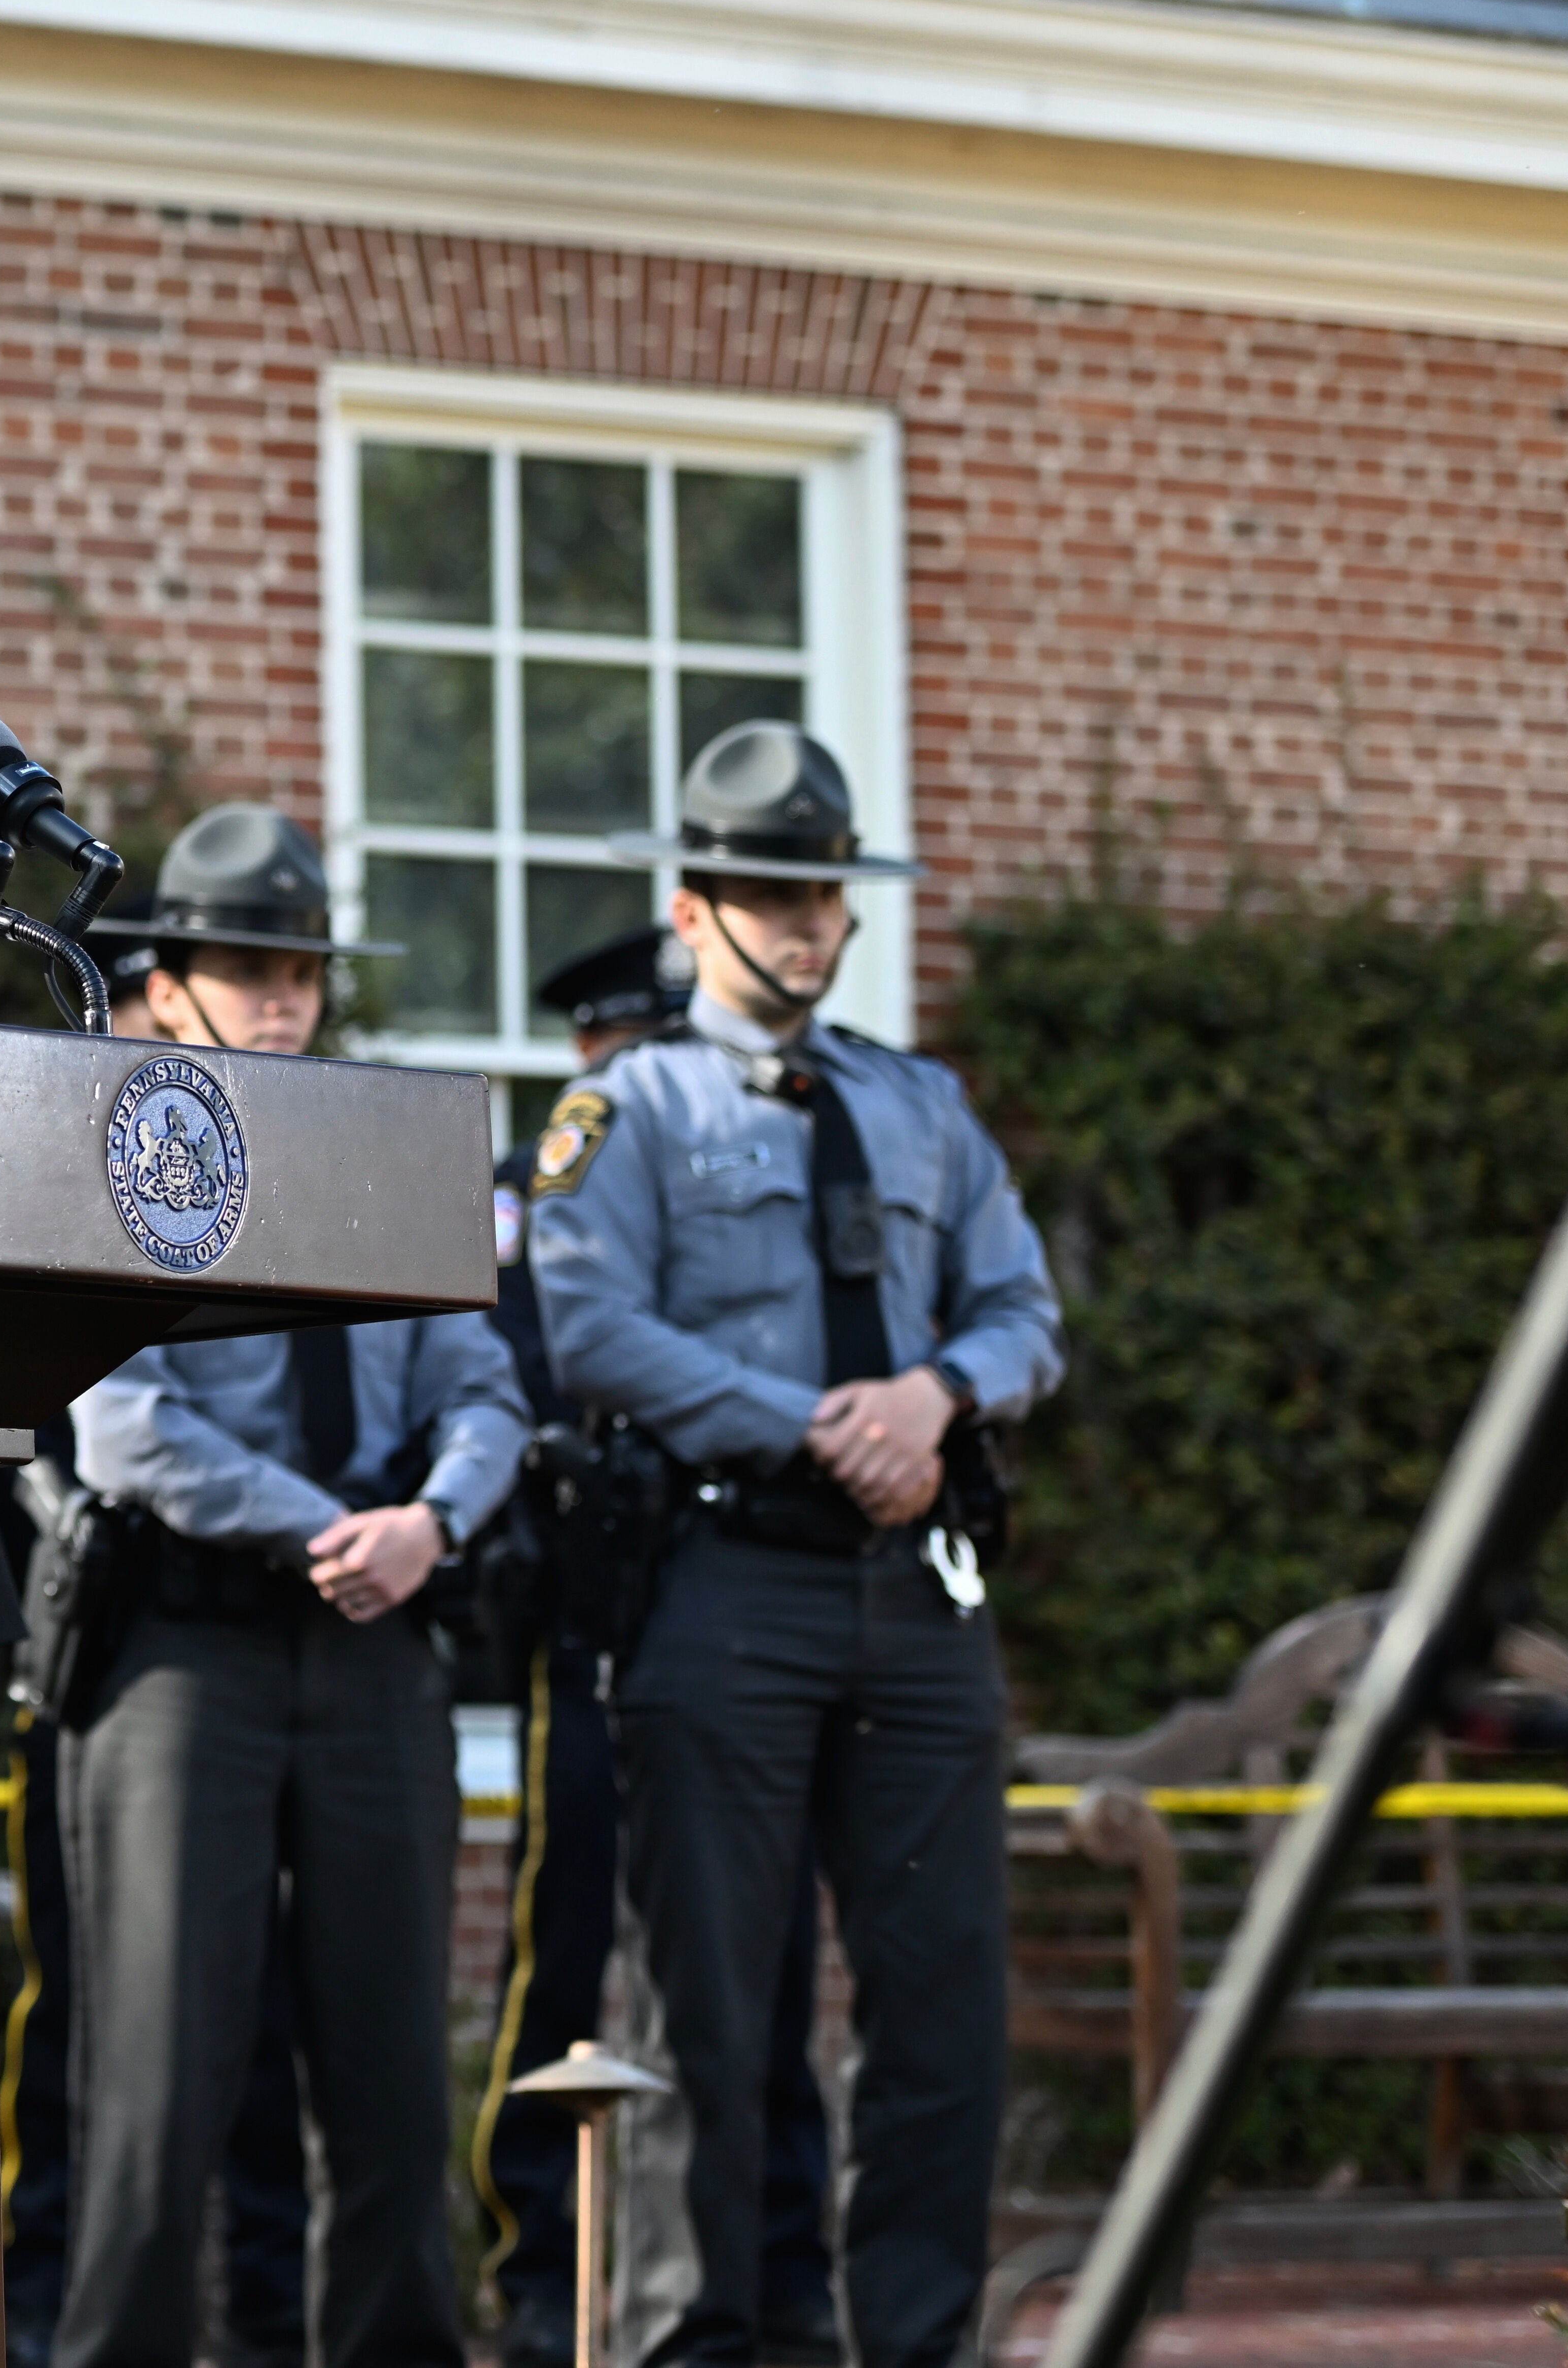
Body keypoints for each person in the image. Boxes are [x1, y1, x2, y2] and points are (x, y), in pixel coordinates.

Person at [529, 724, 1064, 2368]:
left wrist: (931, 1396)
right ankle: (715, 2340)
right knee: (710, 2006)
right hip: (724, 1591)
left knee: (940, 2012)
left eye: (826, 890)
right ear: (693, 911)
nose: (809, 920)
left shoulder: (920, 1108)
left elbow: (1024, 1314)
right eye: (771, 890)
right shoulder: (624, 1109)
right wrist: (812, 1420)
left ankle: (914, 2343)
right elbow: (584, 1324)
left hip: (913, 1602)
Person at [57, 804, 528, 2368]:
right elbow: (123, 1431)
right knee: (157, 2073)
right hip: (188, 1648)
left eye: (300, 969)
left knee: (392, 2064)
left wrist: (432, 1525)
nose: (278, 996)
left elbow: (484, 1387)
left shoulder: (387, 1148)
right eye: (242, 965)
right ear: (169, 981)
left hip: (379, 1636)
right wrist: (329, 1522)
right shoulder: (121, 1145)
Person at [468, 927, 846, 2368]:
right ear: (582, 1056)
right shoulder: (529, 1197)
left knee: (755, 1970)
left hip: (746, 1616)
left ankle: (766, 2271)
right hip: (601, 1616)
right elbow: (520, 1369)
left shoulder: (756, 1197)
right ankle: (539, 2274)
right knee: (566, 1953)